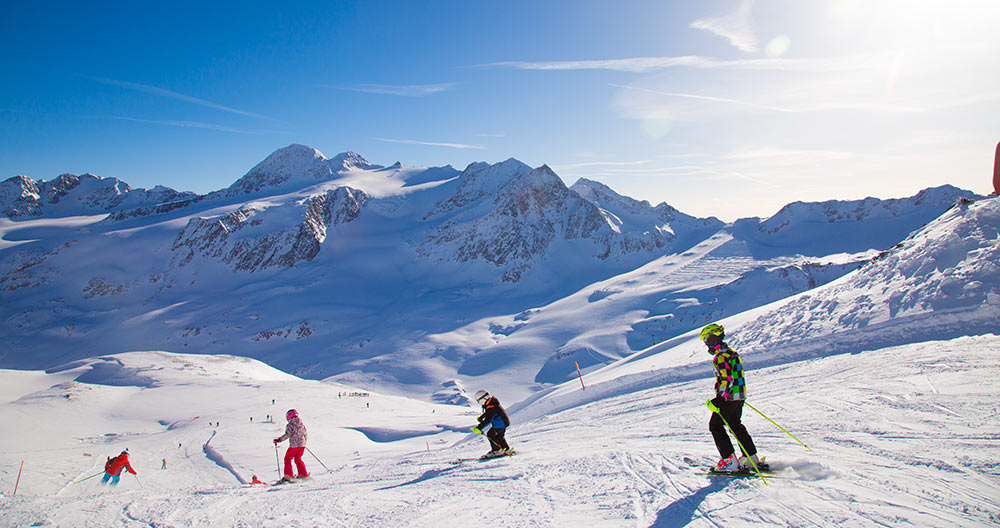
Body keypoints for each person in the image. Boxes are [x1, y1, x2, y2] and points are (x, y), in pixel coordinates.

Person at [701, 324, 768, 473]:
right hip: (739, 395)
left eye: (706, 340)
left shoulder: (721, 357)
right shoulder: (732, 353)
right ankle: (751, 458)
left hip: (728, 397)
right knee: (734, 425)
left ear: (712, 339)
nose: (706, 345)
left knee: (715, 426)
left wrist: (720, 399)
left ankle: (729, 460)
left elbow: (727, 378)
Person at [472, 390, 511, 457]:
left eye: (479, 401)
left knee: (490, 434)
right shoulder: (491, 403)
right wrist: (481, 417)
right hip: (502, 423)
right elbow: (488, 413)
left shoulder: (492, 406)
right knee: (499, 436)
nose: (479, 403)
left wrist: (479, 428)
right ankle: (506, 449)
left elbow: (488, 420)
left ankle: (496, 451)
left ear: (483, 399)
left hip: (500, 424)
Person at [273, 409, 308, 483]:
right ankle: (303, 474)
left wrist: (279, 440)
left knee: (287, 459)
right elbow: (305, 433)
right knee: (298, 458)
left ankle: (288, 476)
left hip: (294, 445)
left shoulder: (290, 425)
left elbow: (287, 435)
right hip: (302, 445)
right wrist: (304, 442)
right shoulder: (301, 424)